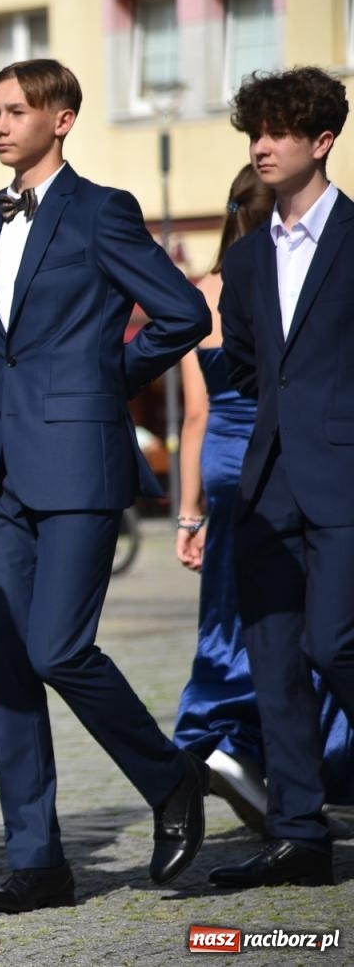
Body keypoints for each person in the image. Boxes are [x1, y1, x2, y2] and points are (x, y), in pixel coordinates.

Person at [0, 59, 211, 914]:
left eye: (15, 111)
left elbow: (182, 312)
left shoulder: (102, 211)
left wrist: (105, 377)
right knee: (13, 671)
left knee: (59, 647)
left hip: (79, 461)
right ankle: (38, 862)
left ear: (60, 120)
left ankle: (171, 779)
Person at [173, 165, 354, 837]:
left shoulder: (207, 288)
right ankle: (298, 789)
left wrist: (189, 511)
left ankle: (240, 745)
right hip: (272, 457)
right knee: (294, 627)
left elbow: (195, 415)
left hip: (226, 459)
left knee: (248, 619)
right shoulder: (264, 275)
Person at [212, 67, 354, 888]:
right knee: (272, 663)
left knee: (337, 643)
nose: (260, 147)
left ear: (321, 141)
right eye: (253, 132)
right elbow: (244, 366)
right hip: (266, 484)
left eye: (277, 132)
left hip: (344, 480)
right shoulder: (244, 260)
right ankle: (300, 835)